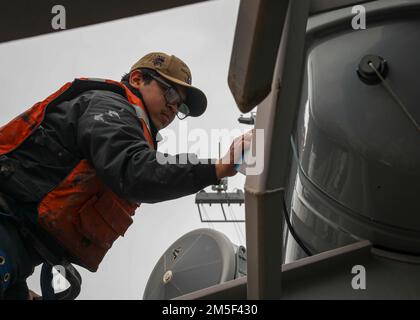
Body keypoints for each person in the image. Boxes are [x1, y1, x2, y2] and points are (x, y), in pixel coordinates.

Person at [0, 52, 251, 299]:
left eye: (181, 105)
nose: (174, 107)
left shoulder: (126, 123)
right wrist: (216, 169)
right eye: (171, 93)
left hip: (18, 252)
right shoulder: (111, 106)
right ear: (137, 79)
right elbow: (134, 171)